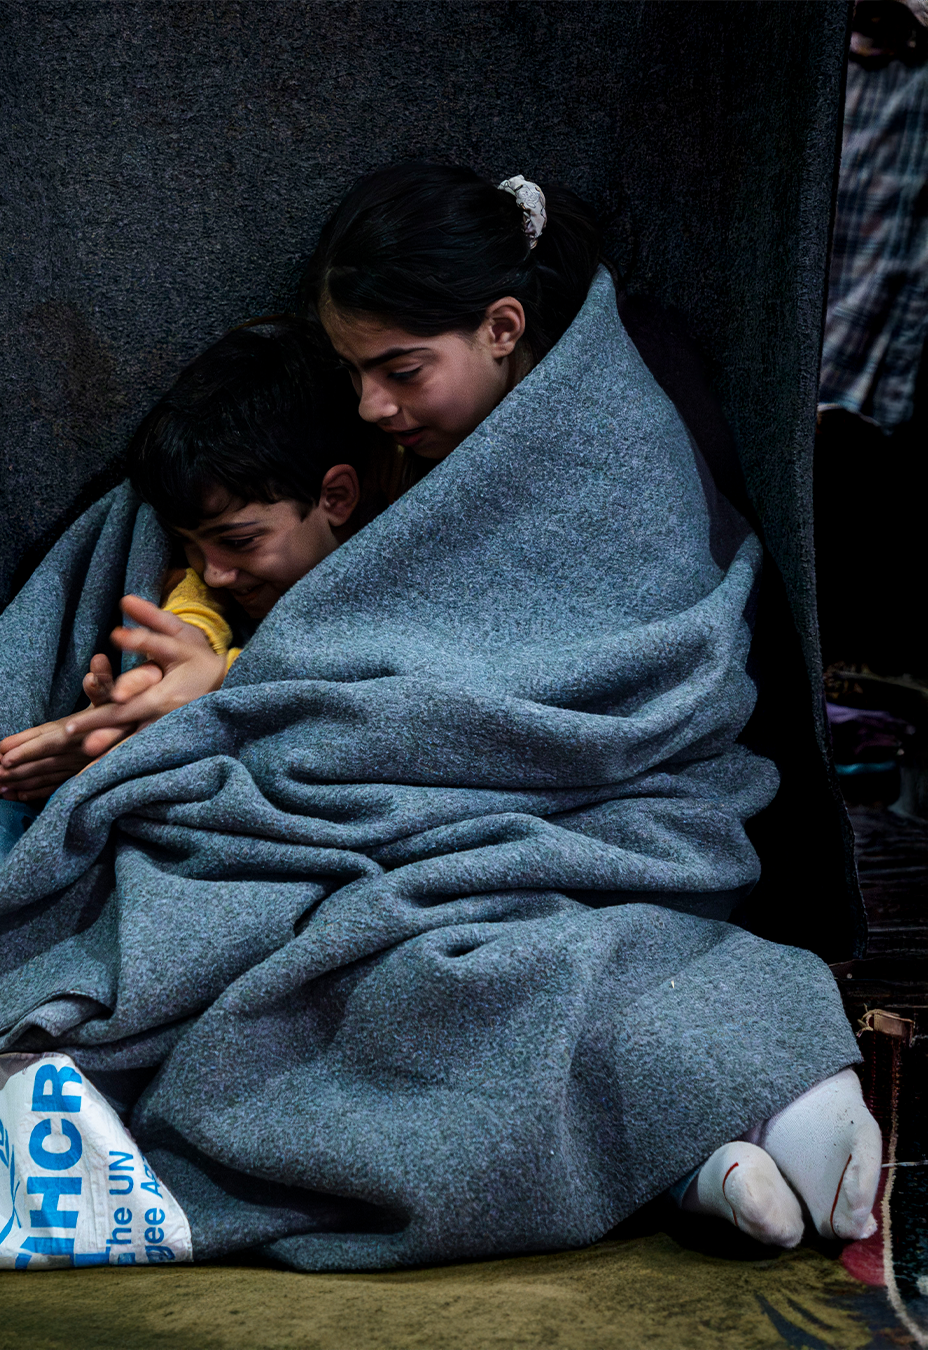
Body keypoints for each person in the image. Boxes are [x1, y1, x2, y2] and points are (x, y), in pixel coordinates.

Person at [297, 161, 881, 1248]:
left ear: (503, 328)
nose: (372, 404)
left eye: (401, 370)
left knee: (512, 950)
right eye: (353, 372)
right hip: (441, 823)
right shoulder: (396, 452)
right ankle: (696, 1155)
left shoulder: (617, 428)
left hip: (627, 812)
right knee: (409, 956)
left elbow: (664, 657)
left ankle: (740, 1111)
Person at [0, 317, 375, 902]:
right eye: (190, 544)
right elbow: (193, 589)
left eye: (240, 541)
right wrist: (144, 707)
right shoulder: (209, 576)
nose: (215, 571)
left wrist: (220, 685)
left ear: (336, 498)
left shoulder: (400, 577)